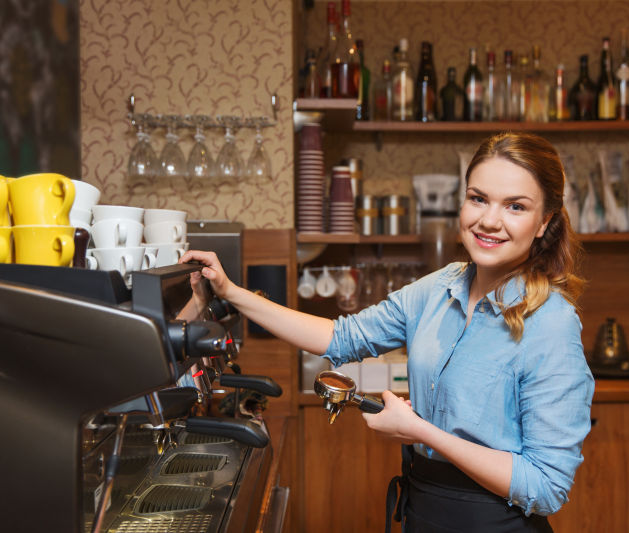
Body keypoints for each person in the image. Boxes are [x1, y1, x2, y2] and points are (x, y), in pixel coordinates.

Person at [179, 131, 594, 532]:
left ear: (545, 222)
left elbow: (546, 486)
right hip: (423, 510)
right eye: (478, 198)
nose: (489, 220)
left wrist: (421, 432)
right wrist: (230, 292)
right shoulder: (439, 288)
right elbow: (342, 337)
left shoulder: (551, 322)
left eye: (515, 207)